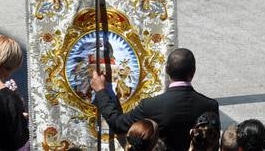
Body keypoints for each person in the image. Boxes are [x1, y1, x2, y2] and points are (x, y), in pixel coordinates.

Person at [90, 48, 219, 151]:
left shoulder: (151, 106)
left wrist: (101, 91)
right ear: (193, 71)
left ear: (167, 70)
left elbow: (117, 124)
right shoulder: (210, 106)